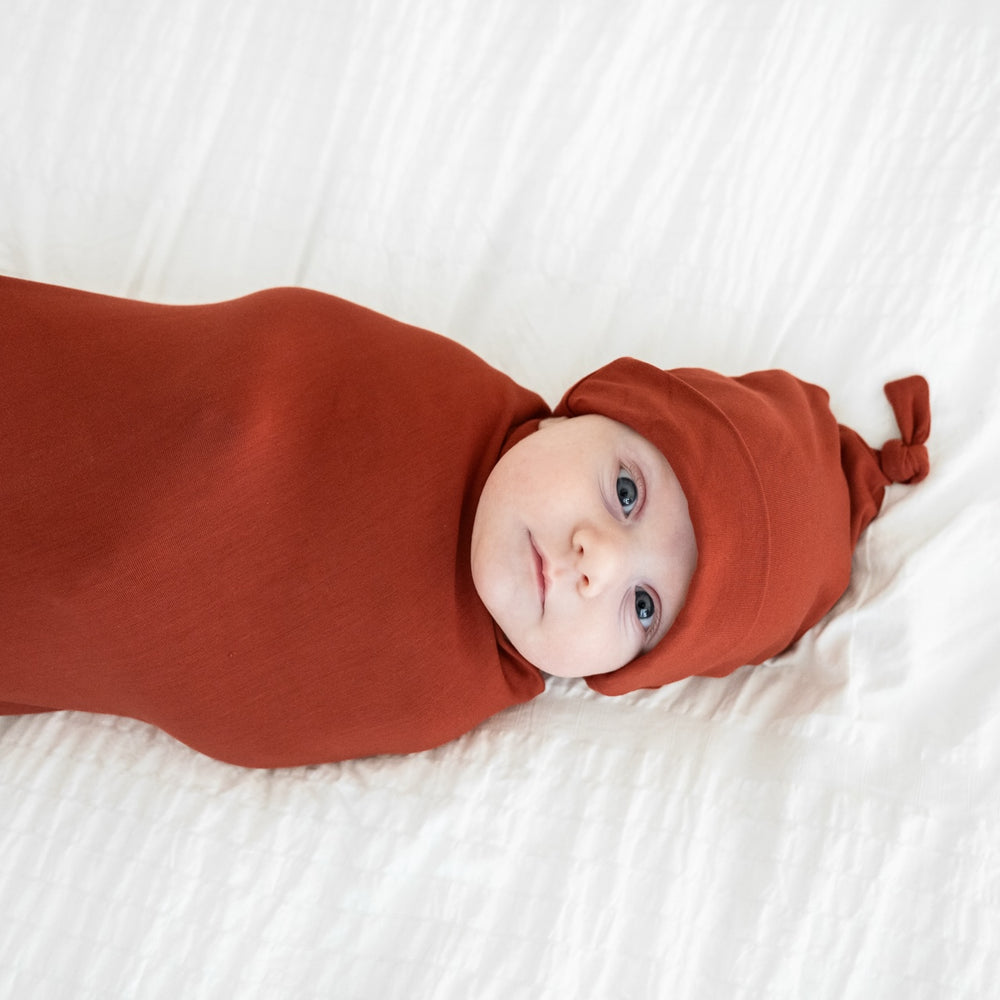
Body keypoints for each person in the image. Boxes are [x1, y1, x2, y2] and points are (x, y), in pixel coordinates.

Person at [0, 277, 930, 767]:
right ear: (597, 405)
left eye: (643, 608)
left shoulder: (436, 685)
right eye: (627, 494)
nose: (593, 562)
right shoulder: (432, 395)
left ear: (623, 676)